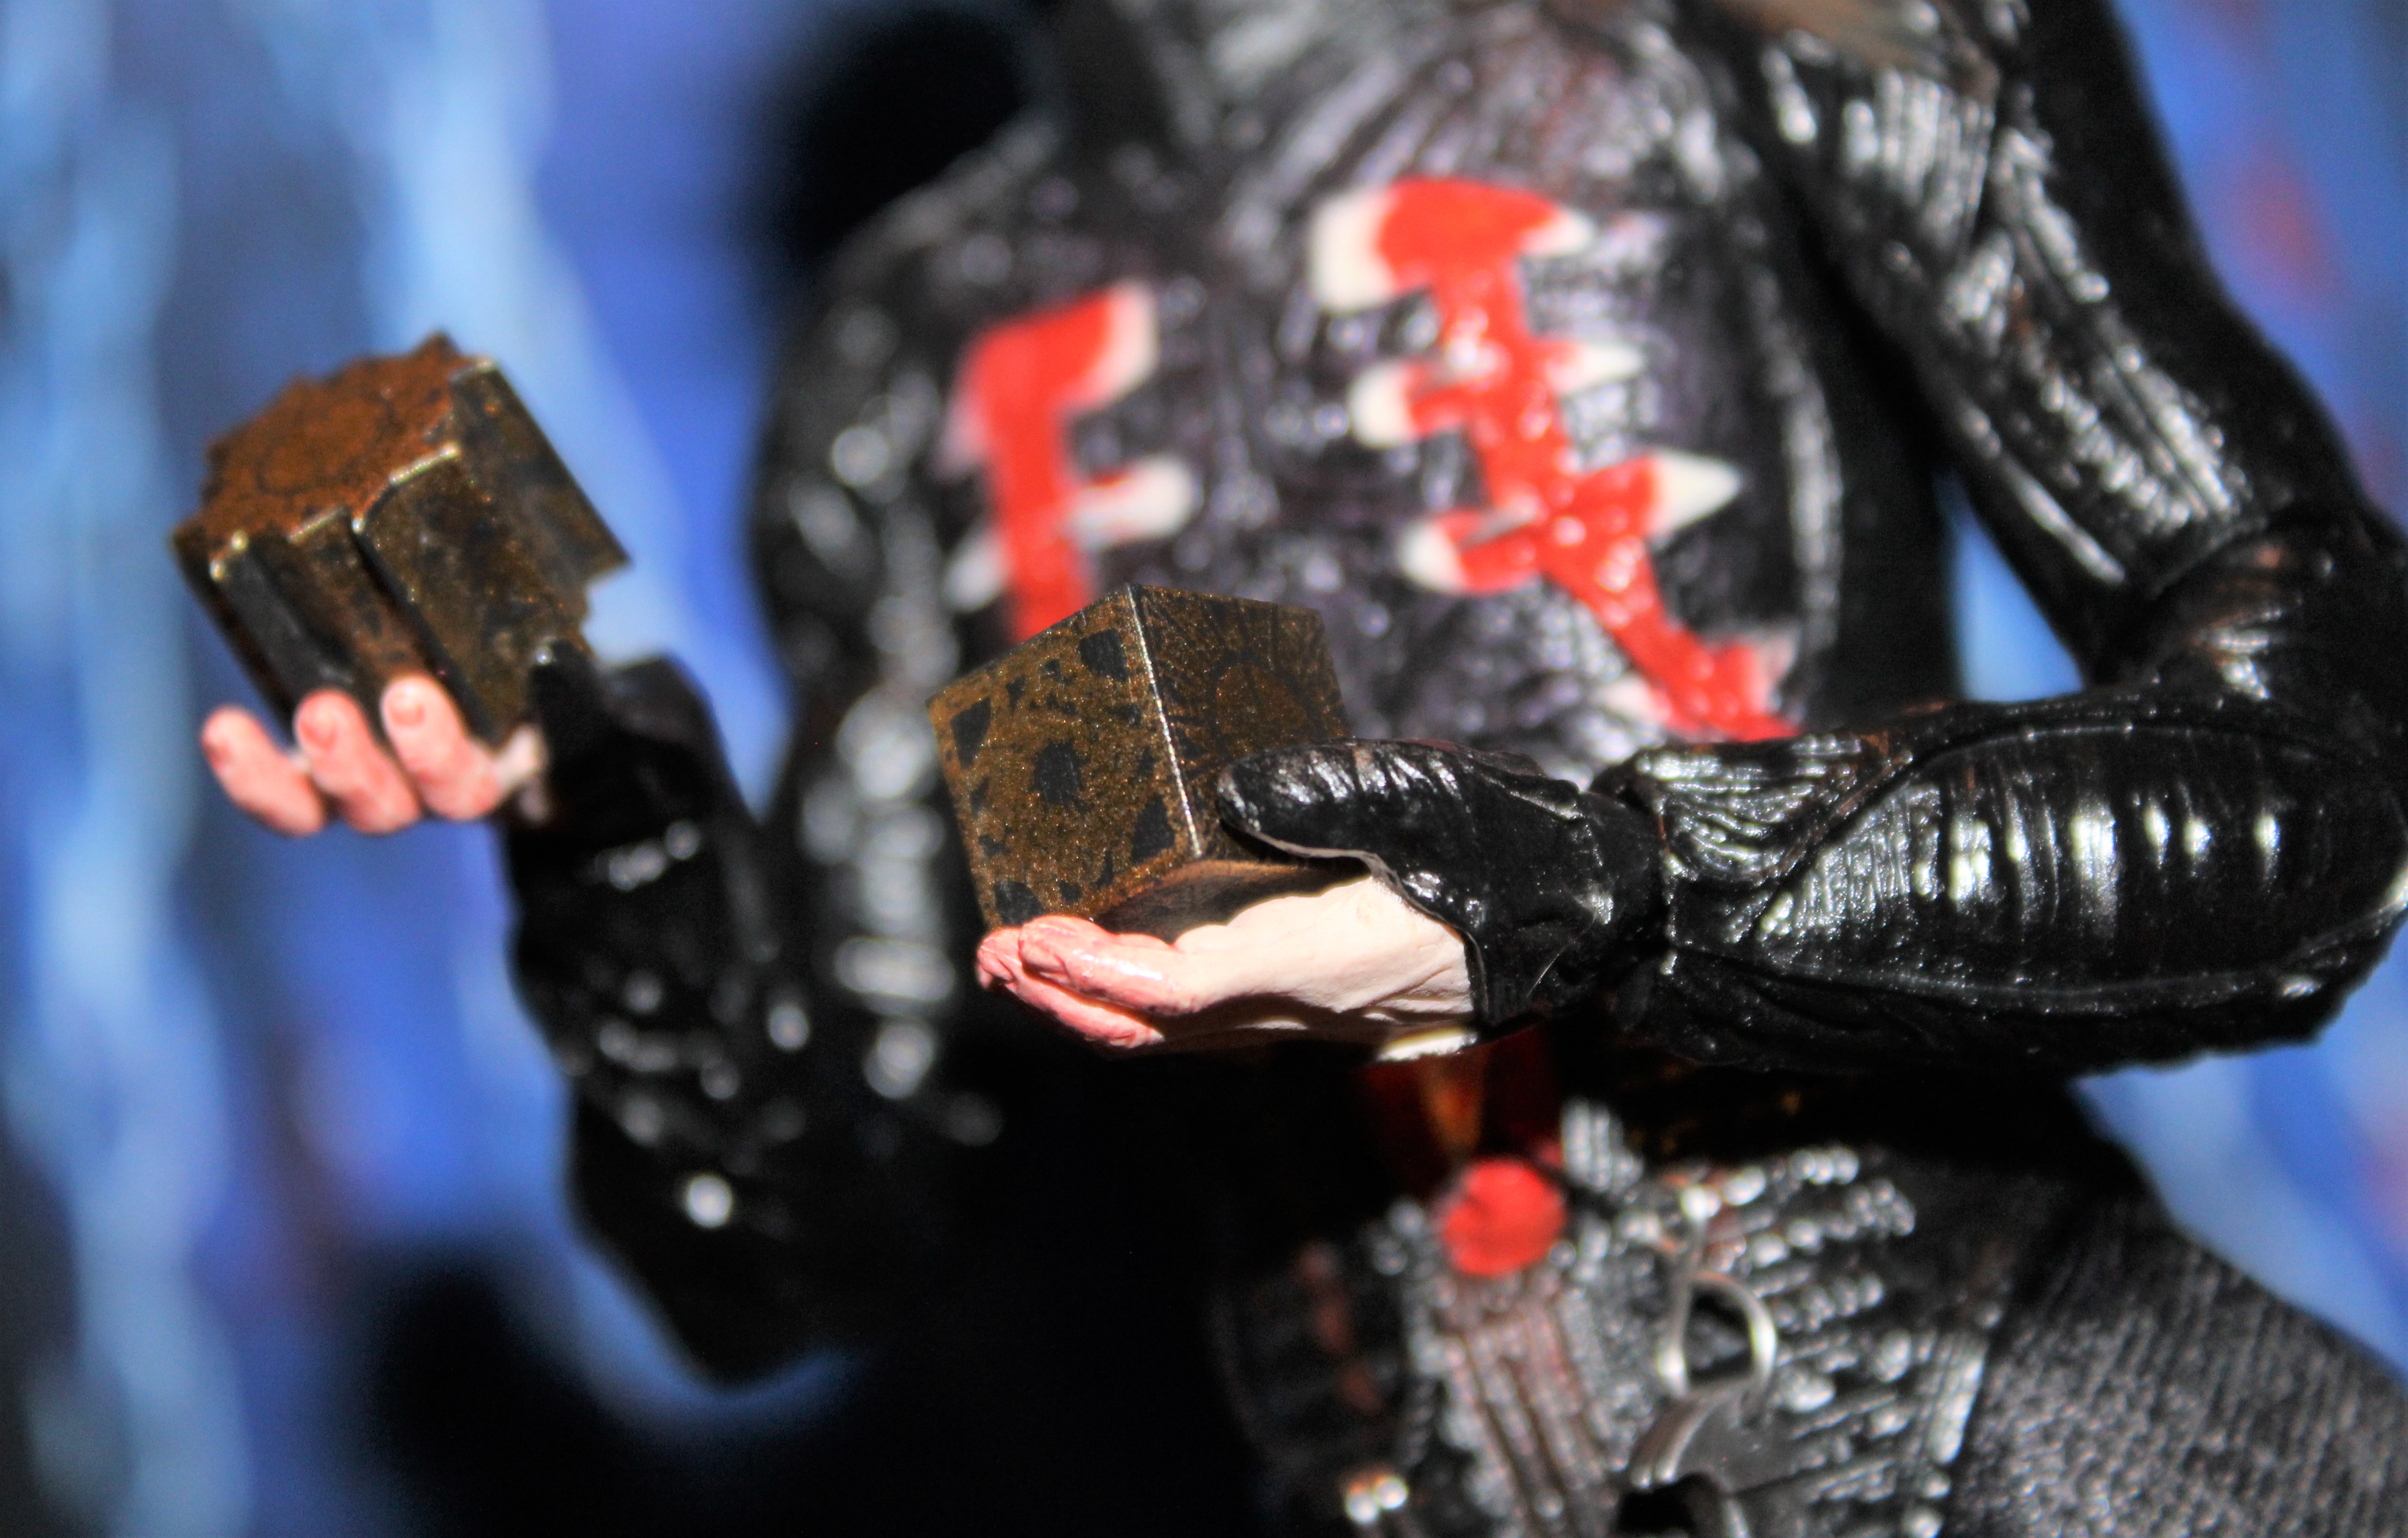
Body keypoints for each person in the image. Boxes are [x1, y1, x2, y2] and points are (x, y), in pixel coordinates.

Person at [201, 0, 2408, 1531]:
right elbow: (808, 1246)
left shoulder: (1771, 40)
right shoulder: (914, 365)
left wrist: (1600, 890)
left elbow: (2314, 788)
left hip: (2037, 1433)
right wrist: (608, 827)